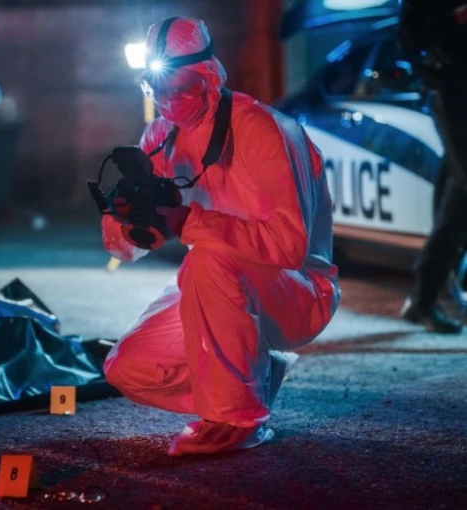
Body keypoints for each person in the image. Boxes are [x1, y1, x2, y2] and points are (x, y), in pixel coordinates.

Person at [100, 17, 340, 456]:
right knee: (128, 368)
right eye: (159, 88)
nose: (170, 101)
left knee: (208, 258)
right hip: (219, 291)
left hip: (300, 290)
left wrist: (188, 222)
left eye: (184, 88)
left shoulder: (263, 129)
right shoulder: (161, 135)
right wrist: (126, 220)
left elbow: (290, 247)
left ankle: (237, 419)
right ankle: (254, 373)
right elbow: (126, 249)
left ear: (210, 78)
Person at [398, 0, 467, 334]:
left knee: (458, 196)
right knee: (462, 192)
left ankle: (423, 299)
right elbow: (410, 41)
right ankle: (424, 299)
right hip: (453, 96)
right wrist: (454, 18)